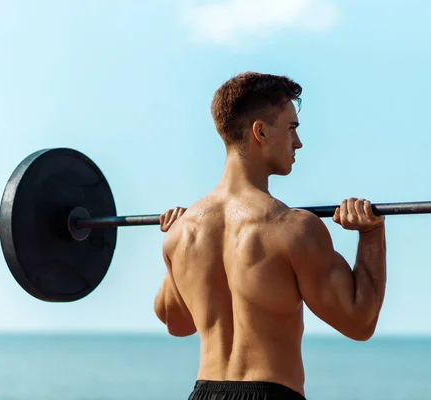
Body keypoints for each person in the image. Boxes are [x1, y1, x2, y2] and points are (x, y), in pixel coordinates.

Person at [154, 72, 387, 400]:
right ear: (260, 132)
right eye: (292, 128)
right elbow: (359, 322)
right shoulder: (292, 228)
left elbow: (176, 324)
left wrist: (176, 245)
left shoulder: (182, 234)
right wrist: (371, 233)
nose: (298, 142)